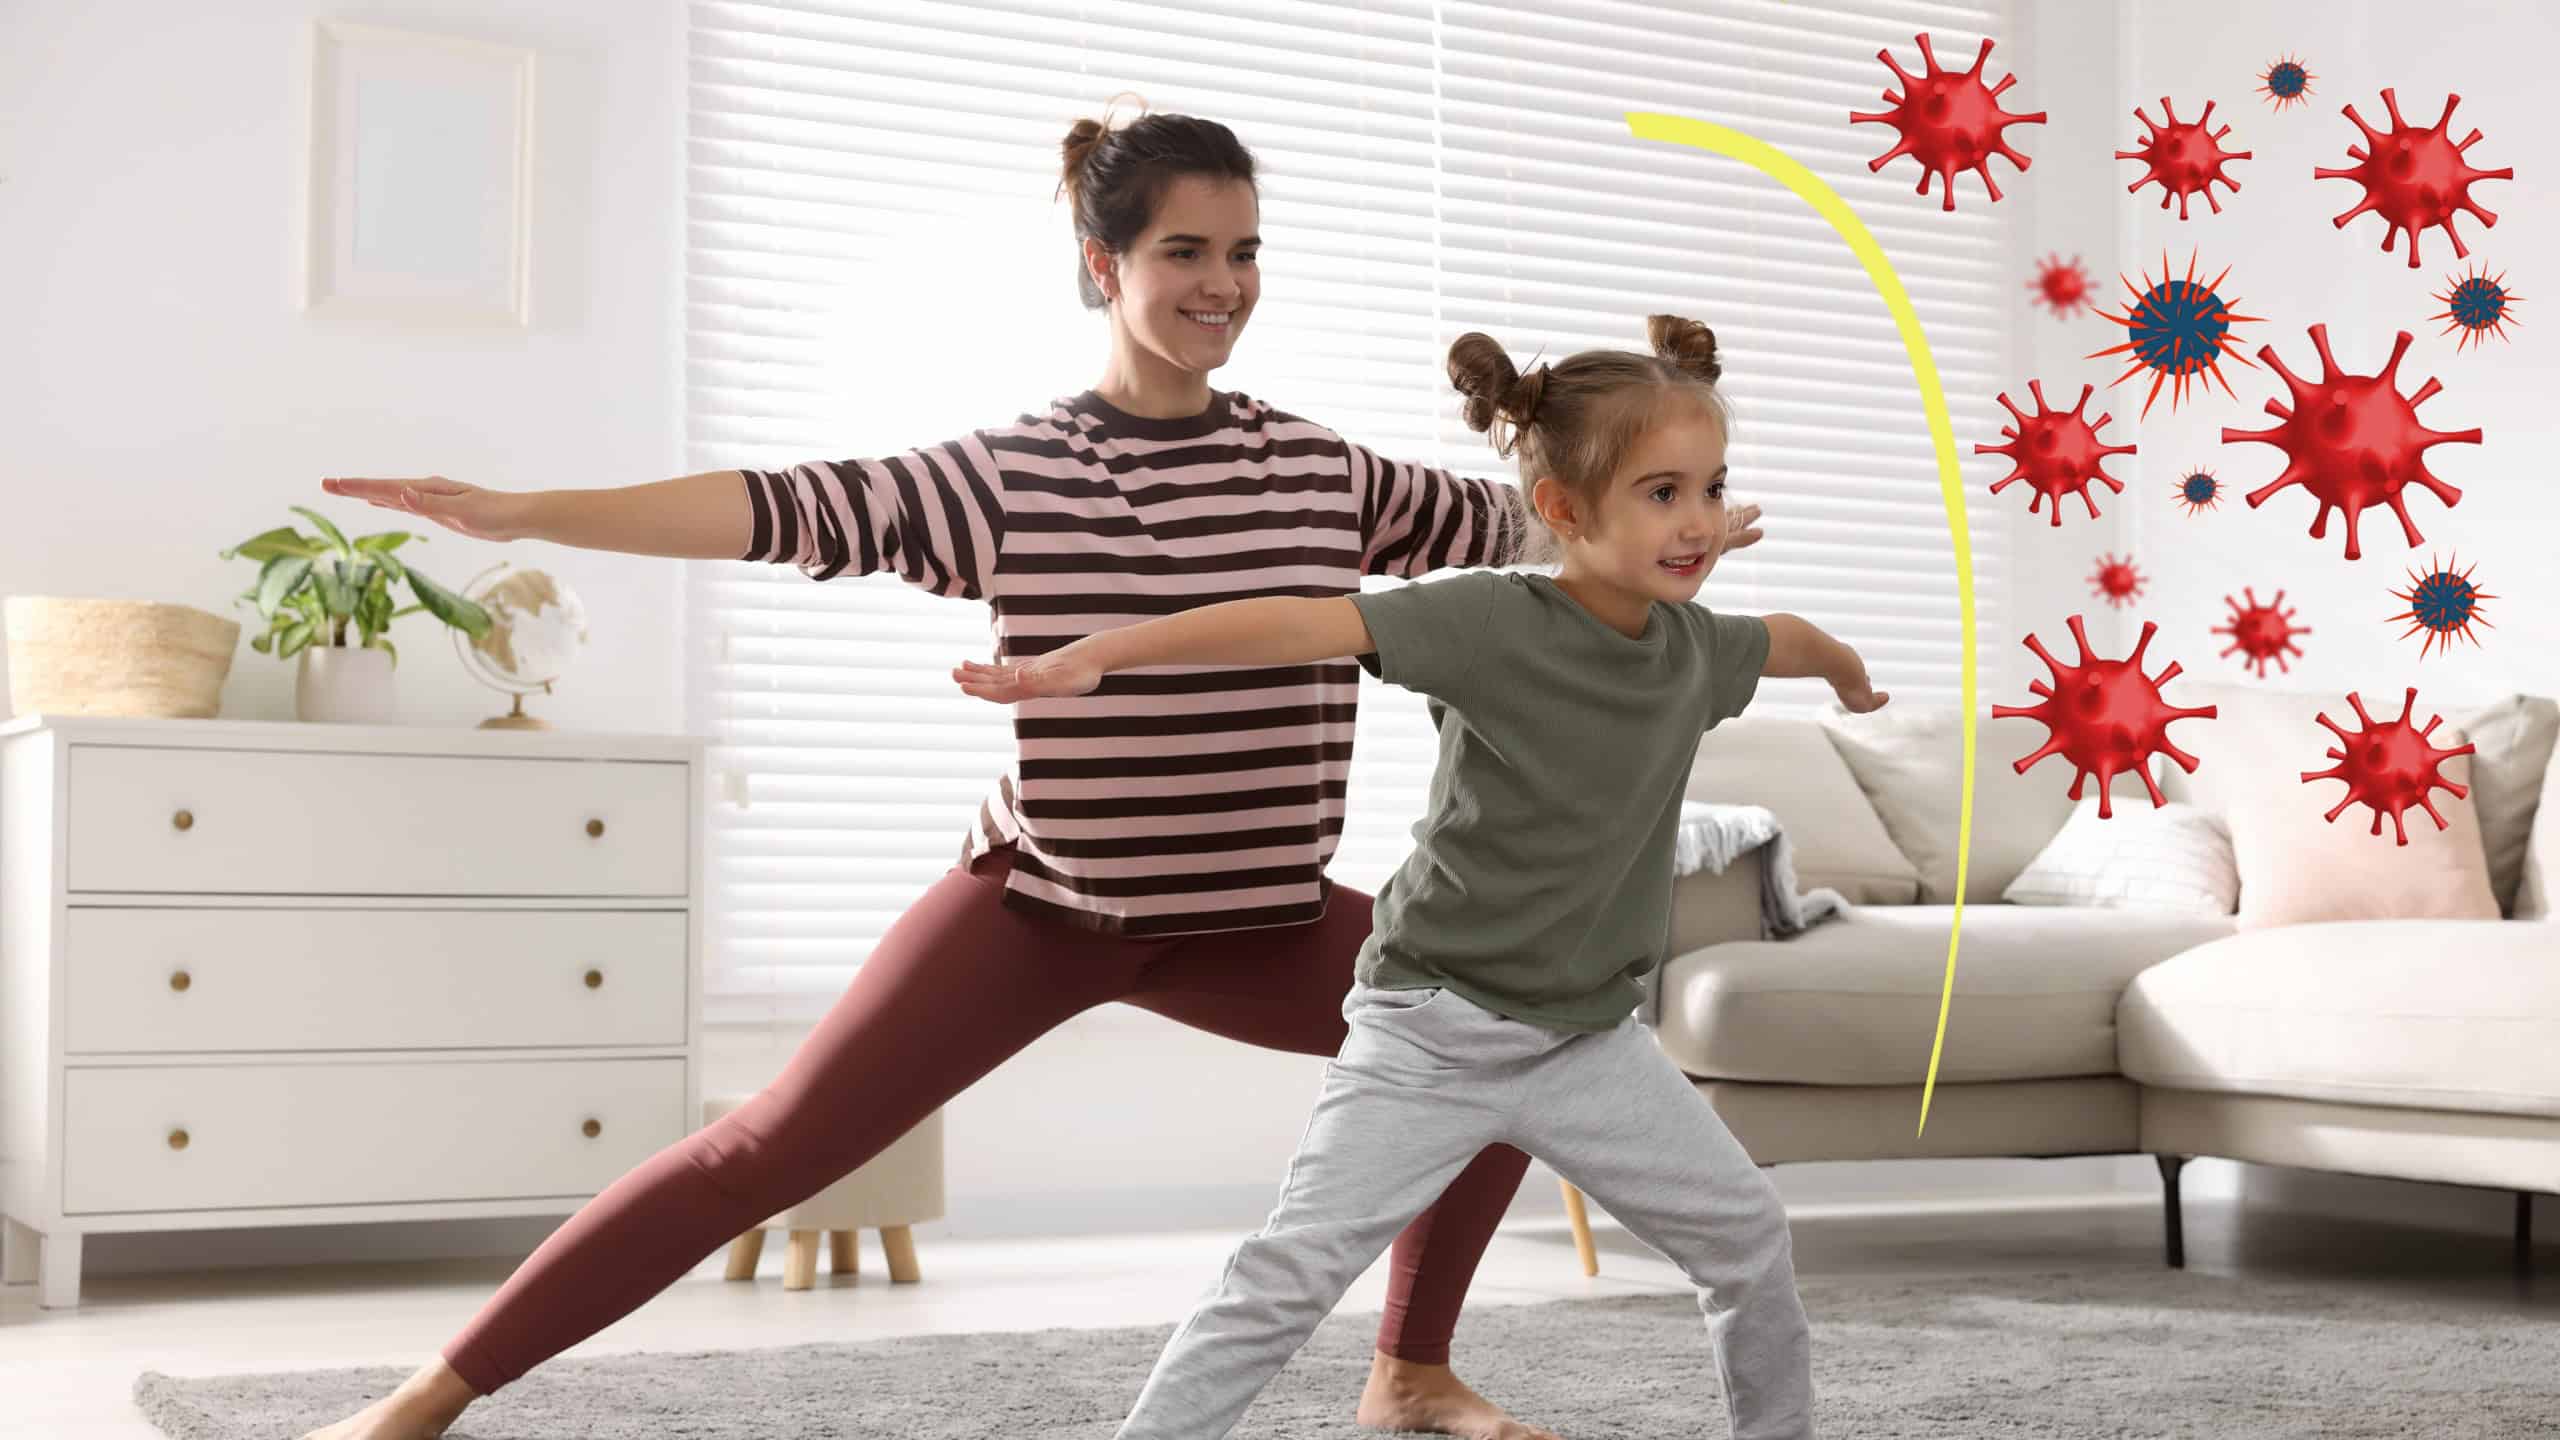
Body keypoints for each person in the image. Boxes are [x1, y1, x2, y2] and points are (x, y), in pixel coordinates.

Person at [300, 109, 1768, 1440]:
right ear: (1101, 260)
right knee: (764, 1151)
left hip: (1257, 921)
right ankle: (424, 1402)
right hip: (1041, 910)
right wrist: (529, 511)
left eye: (1245, 251)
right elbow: (776, 507)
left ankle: (1410, 1374)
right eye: (1185, 249)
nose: (1224, 282)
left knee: (1503, 1055)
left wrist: (1675, 514)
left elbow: (1553, 521)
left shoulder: (1327, 475)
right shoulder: (1014, 476)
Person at [956, 314, 1884, 1440]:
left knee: (1747, 1239)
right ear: (1562, 512)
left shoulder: (1697, 650)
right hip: (1428, 1033)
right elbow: (1295, 621)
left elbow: (1784, 634)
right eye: (1661, 493)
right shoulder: (1490, 620)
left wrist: (1848, 677)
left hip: (1588, 1041)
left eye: (1710, 488)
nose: (1698, 522)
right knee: (1287, 1277)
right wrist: (1097, 654)